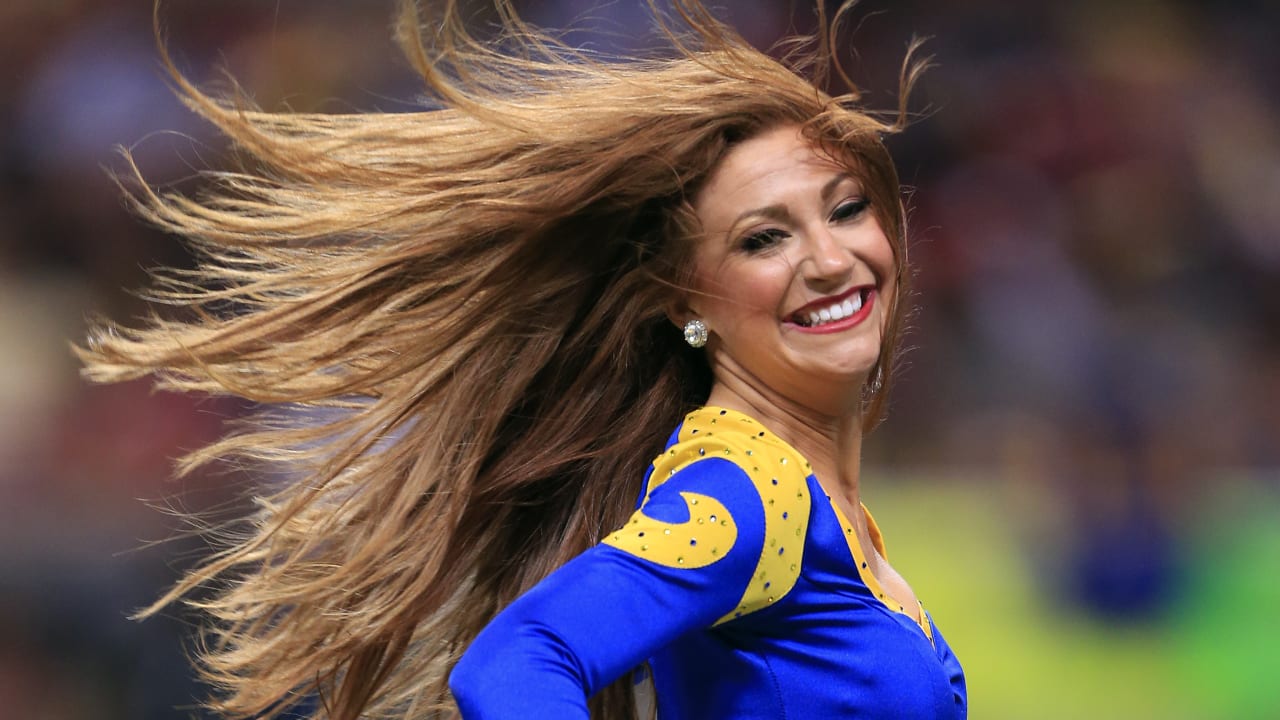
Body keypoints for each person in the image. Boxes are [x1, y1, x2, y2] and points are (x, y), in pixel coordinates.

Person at [80, 1, 965, 718]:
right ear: (682, 296)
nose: (829, 258)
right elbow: (515, 664)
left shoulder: (819, 504)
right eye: (764, 238)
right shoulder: (749, 490)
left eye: (846, 209)